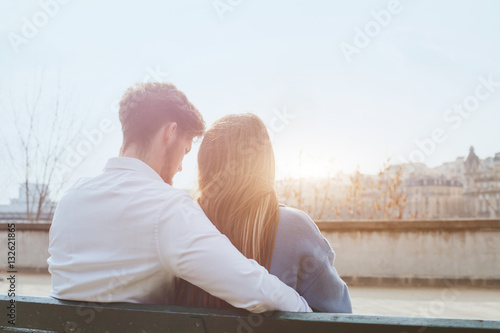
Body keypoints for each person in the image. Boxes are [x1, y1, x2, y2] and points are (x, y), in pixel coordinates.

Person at [47, 82, 311, 313]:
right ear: (170, 132)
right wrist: (306, 312)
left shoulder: (70, 200)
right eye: (185, 151)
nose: (181, 168)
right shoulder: (167, 208)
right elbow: (255, 289)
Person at [176, 113, 352, 313]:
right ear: (266, 163)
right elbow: (340, 315)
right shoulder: (294, 228)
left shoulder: (184, 226)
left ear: (204, 167)